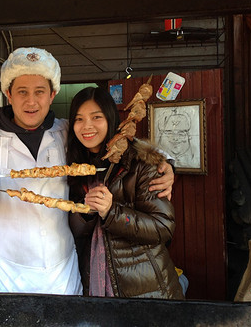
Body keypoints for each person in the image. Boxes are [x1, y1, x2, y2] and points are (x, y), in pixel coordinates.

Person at [0, 47, 174, 294]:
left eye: (39, 92)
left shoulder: (67, 131)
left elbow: (120, 146)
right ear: (8, 95)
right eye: (22, 92)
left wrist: (167, 165)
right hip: (7, 270)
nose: (31, 101)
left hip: (61, 269)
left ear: (52, 94)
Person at [67, 86, 184, 299]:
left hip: (145, 289)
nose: (87, 126)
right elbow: (74, 229)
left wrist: (112, 212)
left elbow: (163, 228)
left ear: (111, 118)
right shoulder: (76, 166)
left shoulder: (142, 163)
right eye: (79, 119)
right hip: (91, 281)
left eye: (96, 117)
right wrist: (86, 213)